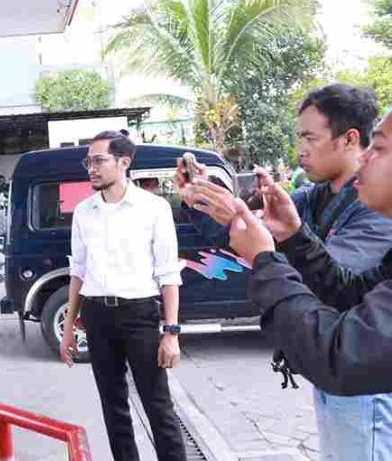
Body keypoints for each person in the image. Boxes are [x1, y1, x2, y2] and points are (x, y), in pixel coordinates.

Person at [178, 84, 392, 461]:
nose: (366, 158)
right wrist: (209, 201)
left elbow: (342, 335)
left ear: (348, 139)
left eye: (379, 147)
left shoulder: (373, 214)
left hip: (360, 380)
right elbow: (342, 288)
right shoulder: (315, 197)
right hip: (334, 369)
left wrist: (267, 254)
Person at [61, 130, 186, 461]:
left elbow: (168, 275)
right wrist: (70, 327)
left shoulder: (153, 208)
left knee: (158, 405)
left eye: (99, 161)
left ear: (124, 162)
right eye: (88, 162)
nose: (91, 168)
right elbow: (78, 272)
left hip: (139, 314)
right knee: (113, 407)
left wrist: (171, 333)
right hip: (97, 317)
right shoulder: (84, 212)